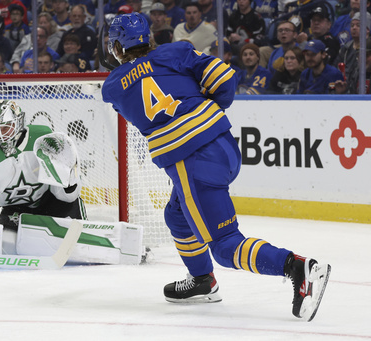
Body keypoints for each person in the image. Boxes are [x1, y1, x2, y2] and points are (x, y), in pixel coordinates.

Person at [101, 13, 331, 321]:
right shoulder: (177, 51)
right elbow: (224, 78)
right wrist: (210, 107)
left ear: (117, 47)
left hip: (192, 163)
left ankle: (297, 267)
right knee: (177, 215)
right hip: (222, 144)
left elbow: (136, 100)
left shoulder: (113, 85)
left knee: (225, 247)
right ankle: (202, 282)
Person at [0, 99, 85, 252]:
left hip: (51, 202)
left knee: (76, 241)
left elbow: (66, 191)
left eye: (6, 128)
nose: (1, 135)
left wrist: (68, 183)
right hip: (16, 210)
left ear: (19, 122)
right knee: (6, 247)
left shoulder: (43, 138)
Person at [334, 14, 371, 93]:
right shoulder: (345, 48)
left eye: (358, 25)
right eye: (352, 25)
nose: (354, 28)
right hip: (347, 90)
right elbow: (336, 68)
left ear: (367, 29)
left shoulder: (369, 47)